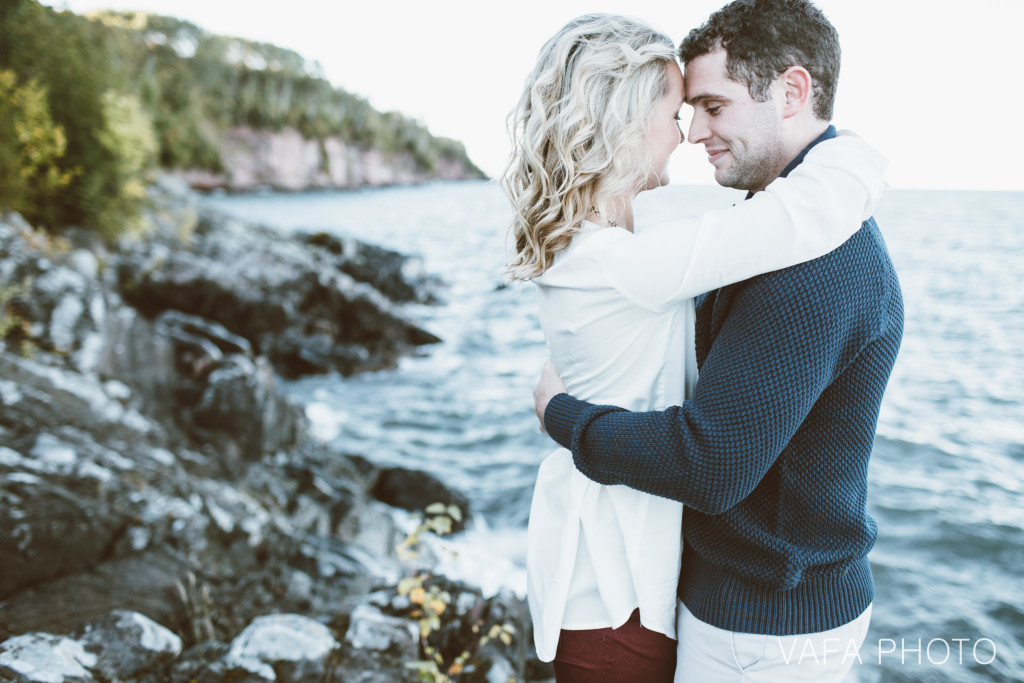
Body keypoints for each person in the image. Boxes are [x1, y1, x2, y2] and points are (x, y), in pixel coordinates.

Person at [506, 10, 890, 683]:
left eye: (710, 106)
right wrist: (851, 153)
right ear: (622, 122)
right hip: (617, 583)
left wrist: (563, 415)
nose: (688, 132)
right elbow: (798, 215)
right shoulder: (623, 262)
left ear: (793, 93)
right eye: (680, 109)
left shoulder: (607, 247)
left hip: (640, 582)